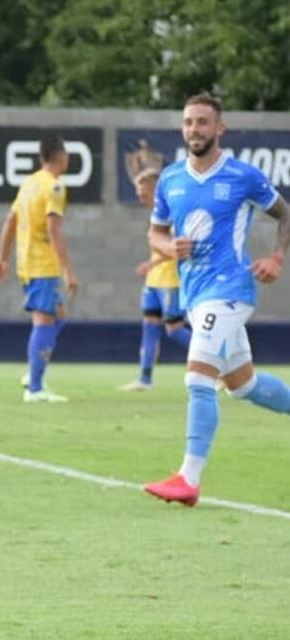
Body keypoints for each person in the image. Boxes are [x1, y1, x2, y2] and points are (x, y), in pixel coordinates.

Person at [143, 92, 290, 507]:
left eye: (203, 122)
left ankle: (188, 479)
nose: (195, 129)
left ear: (219, 128)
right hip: (195, 294)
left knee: (198, 378)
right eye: (189, 122)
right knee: (243, 386)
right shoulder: (171, 179)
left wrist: (277, 257)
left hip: (229, 291)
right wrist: (168, 246)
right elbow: (155, 232)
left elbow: (285, 213)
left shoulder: (242, 176)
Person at [0, 133, 79, 403]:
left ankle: (34, 371)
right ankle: (35, 388)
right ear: (61, 156)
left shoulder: (29, 184)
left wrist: (2, 258)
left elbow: (11, 220)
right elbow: (54, 229)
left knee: (59, 316)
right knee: (43, 321)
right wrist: (68, 270)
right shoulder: (54, 187)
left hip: (25, 262)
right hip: (43, 264)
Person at [118, 157, 192, 391]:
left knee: (175, 330)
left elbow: (178, 248)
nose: (140, 198)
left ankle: (219, 362)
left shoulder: (174, 214)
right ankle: (145, 379)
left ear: (155, 190)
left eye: (143, 193)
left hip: (171, 280)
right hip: (154, 281)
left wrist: (152, 263)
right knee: (150, 327)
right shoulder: (156, 216)